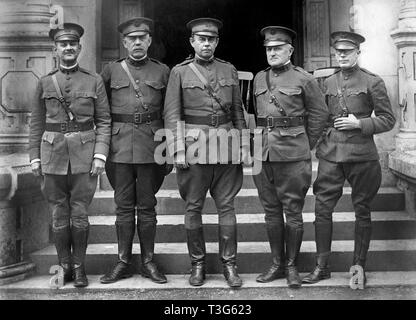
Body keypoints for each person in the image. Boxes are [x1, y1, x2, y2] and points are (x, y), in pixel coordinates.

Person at [302, 31, 396, 289]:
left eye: (347, 51)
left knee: (362, 210)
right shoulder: (327, 82)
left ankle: (358, 268)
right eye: (338, 52)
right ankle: (322, 267)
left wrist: (360, 123)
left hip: (362, 156)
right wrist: (319, 142)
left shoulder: (372, 81)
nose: (342, 55)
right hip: (331, 155)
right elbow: (319, 116)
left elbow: (388, 119)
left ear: (357, 53)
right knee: (322, 209)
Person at [163, 17, 250, 288]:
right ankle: (197, 264)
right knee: (193, 207)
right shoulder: (180, 72)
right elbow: (172, 112)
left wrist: (245, 146)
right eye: (201, 39)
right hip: (193, 149)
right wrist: (177, 149)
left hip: (226, 148)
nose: (206, 43)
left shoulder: (229, 69)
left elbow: (237, 111)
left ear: (217, 42)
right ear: (192, 41)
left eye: (211, 39)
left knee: (227, 207)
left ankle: (230, 265)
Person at [29, 23, 111, 287]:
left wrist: (100, 155)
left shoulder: (94, 80)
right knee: (58, 215)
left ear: (79, 47)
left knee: (79, 214)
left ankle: (80, 268)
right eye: (63, 44)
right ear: (55, 49)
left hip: (85, 157)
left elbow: (105, 121)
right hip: (51, 157)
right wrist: (34, 157)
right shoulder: (43, 82)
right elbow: (36, 124)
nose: (68, 48)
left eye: (72, 44)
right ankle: (63, 266)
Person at [252, 26, 328, 288]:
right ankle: (276, 264)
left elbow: (320, 115)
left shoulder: (304, 79)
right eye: (268, 49)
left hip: (294, 155)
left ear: (290, 51)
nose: (272, 53)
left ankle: (292, 266)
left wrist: (306, 143)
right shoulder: (259, 79)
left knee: (292, 212)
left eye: (277, 48)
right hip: (263, 154)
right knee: (271, 212)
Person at [99, 17, 170, 284]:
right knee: (123, 207)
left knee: (148, 206)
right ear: (124, 42)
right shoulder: (110, 71)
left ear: (150, 41)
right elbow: (101, 113)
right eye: (132, 39)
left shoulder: (163, 72)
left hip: (152, 147)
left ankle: (149, 261)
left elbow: (170, 112)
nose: (137, 42)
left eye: (142, 38)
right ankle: (123, 261)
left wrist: (169, 149)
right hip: (118, 149)